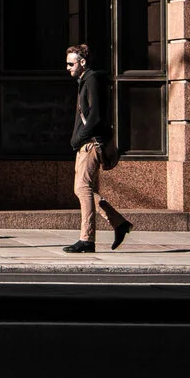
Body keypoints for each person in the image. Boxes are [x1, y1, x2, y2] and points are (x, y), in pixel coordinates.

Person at [62, 43, 130, 253]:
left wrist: (79, 138)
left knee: (83, 189)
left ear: (82, 62)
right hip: (86, 142)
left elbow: (96, 117)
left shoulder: (91, 80)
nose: (68, 68)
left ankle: (87, 239)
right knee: (82, 188)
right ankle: (119, 223)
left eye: (71, 63)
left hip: (90, 143)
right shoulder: (86, 80)